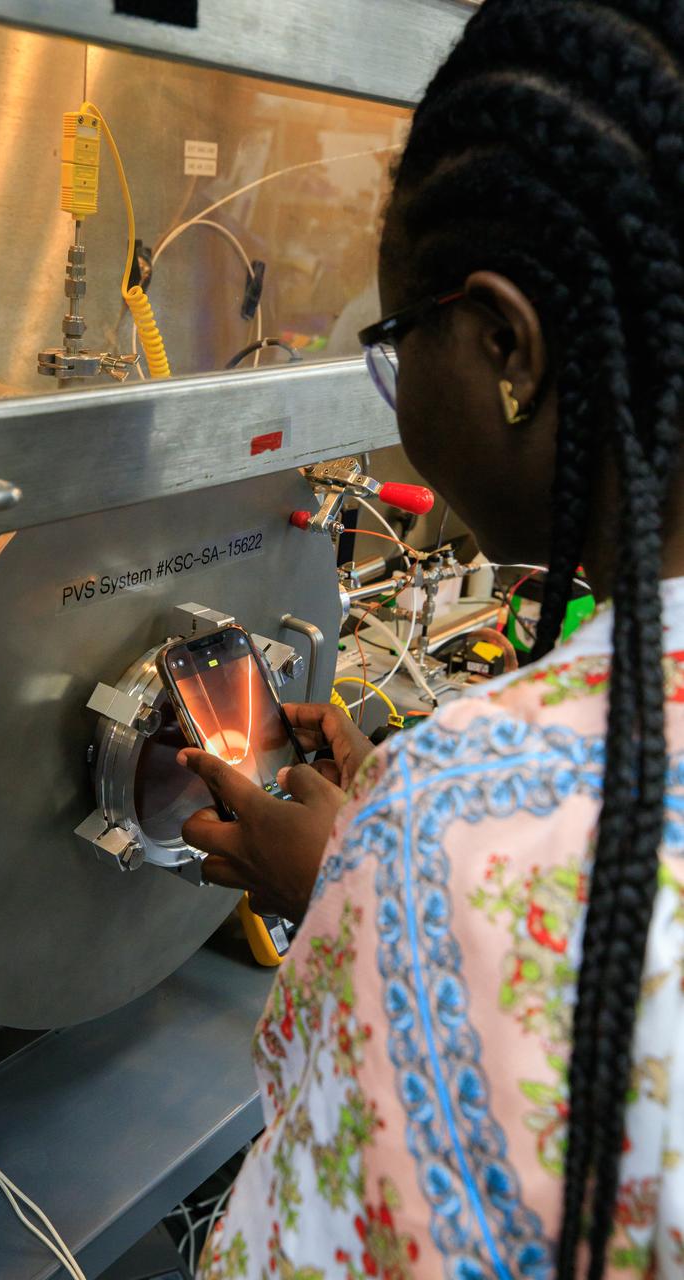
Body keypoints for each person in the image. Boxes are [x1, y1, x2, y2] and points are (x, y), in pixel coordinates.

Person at [182, 2, 684, 1276]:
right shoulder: (439, 818)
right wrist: (373, 851)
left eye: (396, 344)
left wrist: (369, 887)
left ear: (506, 344)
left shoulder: (444, 837)